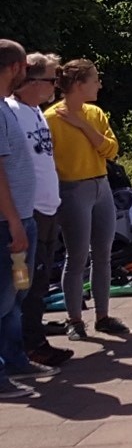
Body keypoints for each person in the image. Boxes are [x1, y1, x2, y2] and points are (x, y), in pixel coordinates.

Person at [46, 58, 126, 341]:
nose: (100, 84)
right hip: (71, 190)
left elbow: (111, 150)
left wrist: (83, 126)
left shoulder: (94, 114)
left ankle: (102, 316)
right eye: (95, 80)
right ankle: (74, 319)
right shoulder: (51, 118)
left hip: (100, 186)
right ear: (79, 85)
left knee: (103, 253)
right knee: (76, 255)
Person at [9, 52, 71, 370]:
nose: (55, 87)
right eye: (50, 80)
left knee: (40, 280)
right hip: (28, 212)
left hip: (48, 209)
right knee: (24, 285)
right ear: (30, 81)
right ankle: (26, 346)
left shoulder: (36, 112)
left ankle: (35, 340)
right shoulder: (13, 112)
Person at [0, 42, 41, 398]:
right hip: (7, 225)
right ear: (15, 67)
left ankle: (15, 360)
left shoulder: (4, 108)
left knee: (14, 297)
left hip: (21, 219)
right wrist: (13, 221)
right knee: (2, 299)